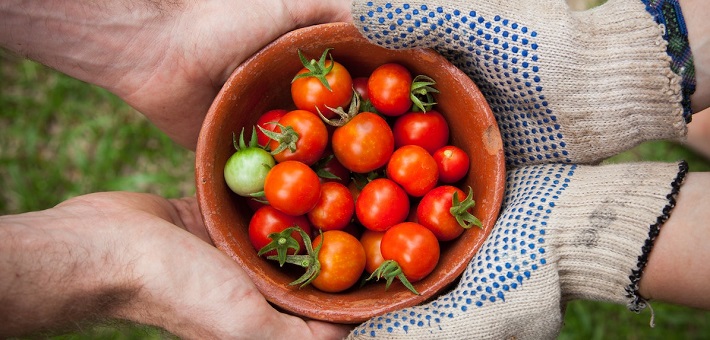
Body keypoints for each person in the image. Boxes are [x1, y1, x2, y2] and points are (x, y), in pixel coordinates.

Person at [1, 0, 708, 339]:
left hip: (394, 193)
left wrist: (145, 41)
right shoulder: (330, 183)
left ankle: (673, 97)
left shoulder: (332, 154)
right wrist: (112, 261)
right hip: (390, 206)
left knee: (635, 89)